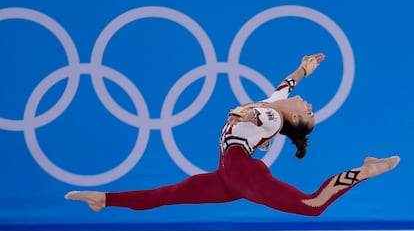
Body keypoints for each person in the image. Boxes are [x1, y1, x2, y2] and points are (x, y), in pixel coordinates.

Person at [65, 53, 400, 216]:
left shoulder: (269, 115)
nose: (309, 104)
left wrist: (243, 112)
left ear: (295, 118)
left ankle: (365, 170)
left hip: (242, 172)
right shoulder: (277, 103)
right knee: (165, 194)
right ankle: (103, 199)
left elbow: (258, 114)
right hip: (229, 175)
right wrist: (306, 67)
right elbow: (287, 84)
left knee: (312, 205)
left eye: (309, 112)